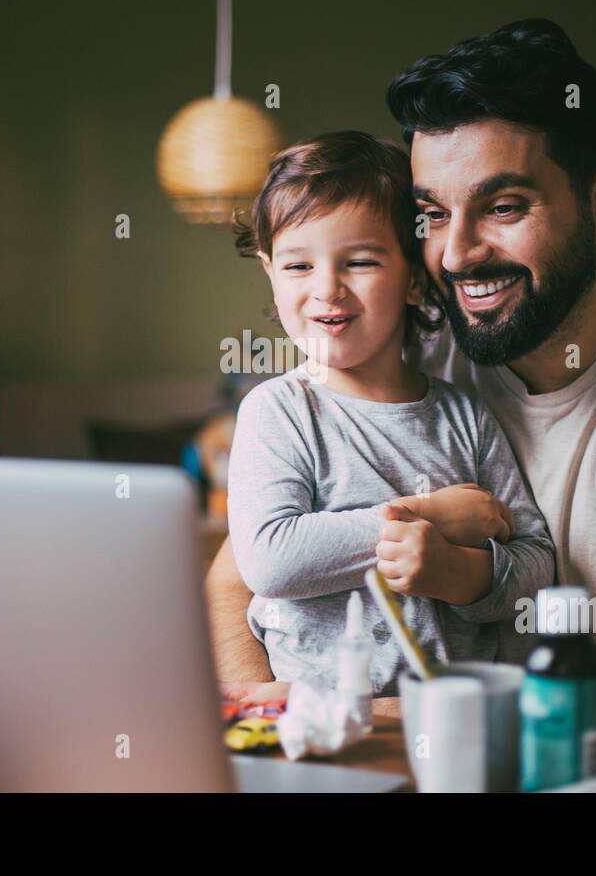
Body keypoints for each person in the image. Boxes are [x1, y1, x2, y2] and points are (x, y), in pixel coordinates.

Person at [208, 19, 596, 791]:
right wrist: (278, 725)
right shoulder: (417, 347)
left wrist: (360, 724)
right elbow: (245, 573)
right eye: (431, 214)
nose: (457, 254)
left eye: (502, 207)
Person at [226, 131, 555, 696]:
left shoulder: (464, 417)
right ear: (269, 272)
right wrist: (430, 516)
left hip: (451, 717)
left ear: (414, 278)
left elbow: (535, 562)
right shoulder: (277, 411)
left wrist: (460, 574)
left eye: (359, 261)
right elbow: (270, 560)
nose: (327, 289)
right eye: (298, 266)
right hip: (321, 729)